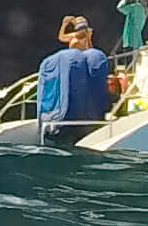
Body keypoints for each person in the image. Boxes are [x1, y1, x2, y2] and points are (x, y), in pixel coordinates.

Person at [34, 13, 111, 145]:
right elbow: (61, 37)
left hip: (83, 66)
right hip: (75, 66)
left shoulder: (87, 38)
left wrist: (88, 37)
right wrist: (65, 24)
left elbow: (90, 49)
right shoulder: (74, 37)